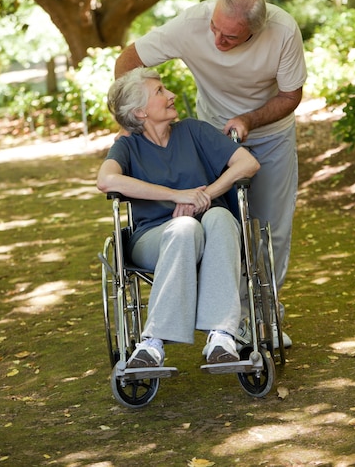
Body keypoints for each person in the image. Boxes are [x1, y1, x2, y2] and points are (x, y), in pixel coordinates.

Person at [114, 0, 307, 347]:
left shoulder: (282, 31)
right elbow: (129, 59)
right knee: (224, 221)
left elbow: (290, 95)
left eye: (230, 36)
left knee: (271, 228)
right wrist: (133, 126)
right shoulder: (191, 23)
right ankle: (230, 319)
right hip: (212, 134)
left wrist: (249, 119)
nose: (217, 40)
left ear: (254, 30)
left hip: (270, 133)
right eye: (215, 29)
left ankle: (265, 316)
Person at [97, 67, 260, 368]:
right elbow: (106, 181)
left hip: (212, 230)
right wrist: (177, 195)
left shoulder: (194, 131)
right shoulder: (128, 147)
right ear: (140, 112)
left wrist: (205, 195)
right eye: (160, 92)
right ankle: (153, 342)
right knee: (183, 228)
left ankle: (223, 335)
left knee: (222, 217)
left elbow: (247, 163)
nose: (171, 95)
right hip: (153, 238)